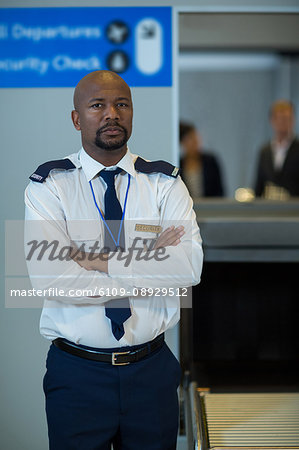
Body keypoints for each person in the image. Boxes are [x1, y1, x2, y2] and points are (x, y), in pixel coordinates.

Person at [25, 70, 203, 450]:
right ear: (77, 118)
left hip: (151, 372)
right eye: (97, 105)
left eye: (122, 104)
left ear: (132, 113)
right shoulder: (50, 187)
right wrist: (149, 268)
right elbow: (52, 280)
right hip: (76, 376)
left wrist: (98, 261)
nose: (112, 114)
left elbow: (188, 267)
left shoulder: (164, 184)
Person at [255, 100, 299, 198]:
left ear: (293, 120)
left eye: (286, 118)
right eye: (280, 118)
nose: (283, 123)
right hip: (270, 209)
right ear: (272, 120)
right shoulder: (264, 152)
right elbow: (258, 187)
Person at [179, 121, 224, 197]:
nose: (195, 142)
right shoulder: (179, 164)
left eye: (196, 137)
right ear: (182, 142)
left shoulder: (210, 161)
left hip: (210, 206)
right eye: (190, 139)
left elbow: (220, 190)